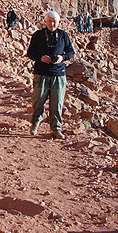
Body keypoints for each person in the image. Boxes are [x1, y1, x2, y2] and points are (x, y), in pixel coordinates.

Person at [26, 10, 75, 139]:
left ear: (58, 23)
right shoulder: (38, 35)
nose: (52, 24)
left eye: (54, 22)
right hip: (41, 72)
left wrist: (62, 58)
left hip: (58, 74)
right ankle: (34, 124)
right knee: (38, 100)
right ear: (45, 22)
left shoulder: (63, 35)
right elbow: (30, 53)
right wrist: (40, 57)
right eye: (49, 21)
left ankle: (56, 128)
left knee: (57, 102)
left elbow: (71, 52)